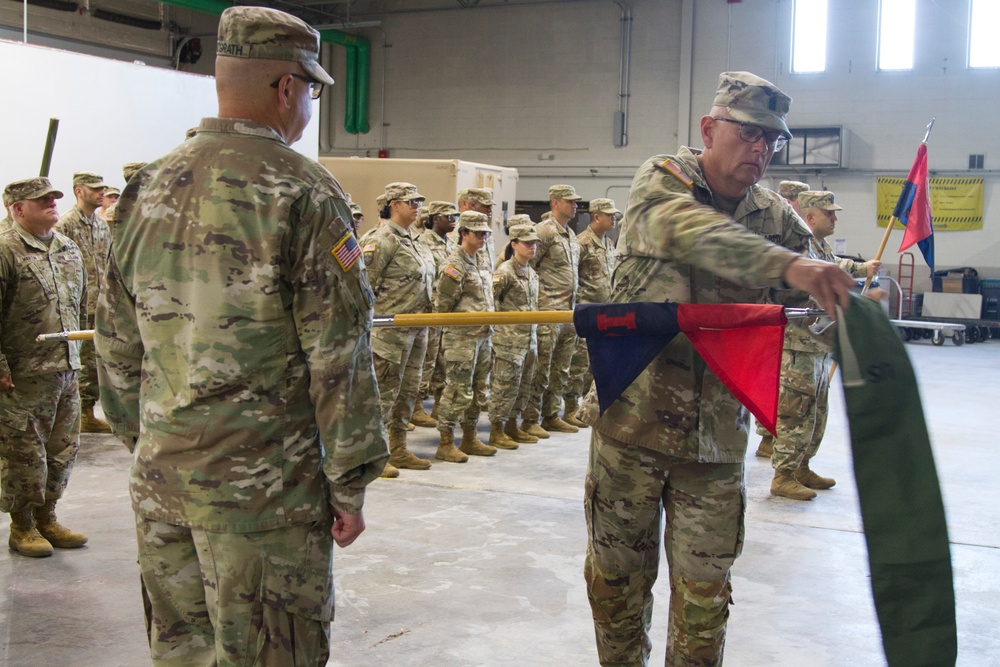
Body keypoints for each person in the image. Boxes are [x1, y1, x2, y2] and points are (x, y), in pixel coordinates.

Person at [94, 7, 389, 664]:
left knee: (181, 652)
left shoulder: (145, 187)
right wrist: (349, 482)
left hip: (162, 484)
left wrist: (148, 445)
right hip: (264, 500)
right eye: (311, 90)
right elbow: (338, 353)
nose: (309, 103)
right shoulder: (305, 191)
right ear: (287, 87)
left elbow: (113, 343)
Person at [579, 71, 857, 666]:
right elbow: (690, 232)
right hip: (632, 427)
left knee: (706, 600)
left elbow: (816, 292)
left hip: (716, 442)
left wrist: (850, 308)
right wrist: (790, 268)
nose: (761, 149)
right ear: (709, 129)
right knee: (617, 588)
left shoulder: (776, 215)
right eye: (749, 134)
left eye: (772, 141)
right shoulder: (663, 180)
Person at [767, 190, 880, 500]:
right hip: (798, 344)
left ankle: (802, 466)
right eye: (829, 213)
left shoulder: (820, 246)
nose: (835, 218)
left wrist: (860, 269)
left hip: (816, 343)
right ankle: (783, 474)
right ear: (810, 216)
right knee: (796, 410)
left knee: (816, 409)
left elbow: (833, 264)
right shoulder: (797, 248)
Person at [1, 177, 88, 558]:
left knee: (62, 450)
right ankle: (22, 526)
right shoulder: (6, 250)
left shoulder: (68, 248)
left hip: (65, 369)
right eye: (42, 201)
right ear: (17, 209)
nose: (53, 204)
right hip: (22, 376)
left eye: (54, 198)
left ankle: (47, 517)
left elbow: (80, 307)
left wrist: (82, 356)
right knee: (24, 453)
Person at [362, 182, 436, 473]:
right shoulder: (382, 240)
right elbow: (364, 286)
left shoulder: (415, 239)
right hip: (388, 332)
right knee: (384, 395)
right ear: (393, 204)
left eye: (419, 202)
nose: (417, 206)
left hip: (416, 331)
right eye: (411, 202)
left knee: (408, 393)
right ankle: (374, 456)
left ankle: (398, 449)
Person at [434, 211, 504, 460]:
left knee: (478, 389)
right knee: (456, 390)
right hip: (461, 339)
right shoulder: (454, 265)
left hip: (483, 336)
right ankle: (445, 443)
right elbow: (441, 306)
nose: (484, 237)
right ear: (463, 234)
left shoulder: (482, 260)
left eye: (486, 233)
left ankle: (469, 438)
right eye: (478, 233)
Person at [522, 184, 582, 438]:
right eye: (570, 201)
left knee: (561, 369)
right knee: (541, 368)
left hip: (568, 312)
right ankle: (529, 418)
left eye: (576, 201)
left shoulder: (570, 236)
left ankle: (551, 415)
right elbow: (527, 266)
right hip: (548, 310)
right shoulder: (543, 232)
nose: (575, 205)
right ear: (555, 203)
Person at [55, 171, 111, 434]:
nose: (101, 193)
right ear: (79, 191)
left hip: (101, 302)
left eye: (102, 189)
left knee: (98, 360)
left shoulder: (100, 225)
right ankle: (83, 414)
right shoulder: (65, 225)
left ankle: (88, 411)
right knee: (83, 362)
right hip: (78, 304)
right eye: (95, 189)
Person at [564, 197, 620, 428]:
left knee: (596, 361)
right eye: (610, 215)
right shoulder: (582, 243)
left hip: (604, 311)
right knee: (578, 362)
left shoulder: (607, 243)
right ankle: (569, 408)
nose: (614, 219)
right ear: (596, 216)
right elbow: (572, 279)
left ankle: (588, 408)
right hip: (586, 311)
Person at [491, 224, 541, 446]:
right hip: (508, 341)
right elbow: (492, 304)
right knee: (504, 387)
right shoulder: (504, 272)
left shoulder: (532, 273)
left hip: (528, 339)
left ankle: (512, 425)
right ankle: (496, 430)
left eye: (534, 243)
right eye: (527, 243)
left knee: (523, 386)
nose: (532, 247)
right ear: (514, 245)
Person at [412, 200, 460, 428]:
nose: (453, 221)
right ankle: (416, 405)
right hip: (428, 310)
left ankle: (440, 404)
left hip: (445, 311)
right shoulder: (422, 243)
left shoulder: (451, 245)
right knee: (426, 361)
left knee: (442, 360)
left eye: (455, 217)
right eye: (448, 217)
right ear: (435, 219)